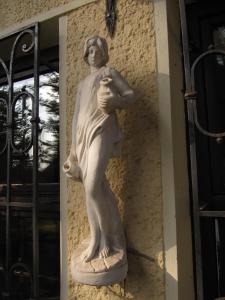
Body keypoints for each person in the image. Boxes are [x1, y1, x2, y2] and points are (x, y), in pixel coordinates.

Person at [63, 36, 135, 262]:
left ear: (104, 53)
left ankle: (106, 238)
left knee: (93, 185)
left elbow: (131, 95)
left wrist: (115, 103)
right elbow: (76, 116)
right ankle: (98, 237)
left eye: (97, 50)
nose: (94, 54)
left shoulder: (109, 74)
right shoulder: (82, 84)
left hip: (102, 128)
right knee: (92, 187)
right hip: (83, 135)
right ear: (86, 55)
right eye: (90, 51)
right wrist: (73, 149)